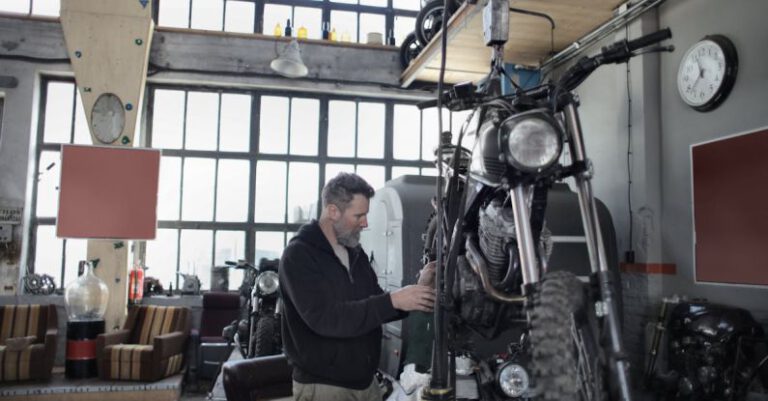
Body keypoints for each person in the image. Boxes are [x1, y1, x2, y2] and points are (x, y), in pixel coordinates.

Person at [279, 172, 436, 401]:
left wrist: (414, 292)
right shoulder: (299, 256)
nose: (365, 223)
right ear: (333, 211)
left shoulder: (354, 252)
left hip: (366, 383)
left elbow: (375, 303)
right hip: (324, 387)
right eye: (359, 215)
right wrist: (392, 300)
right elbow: (325, 319)